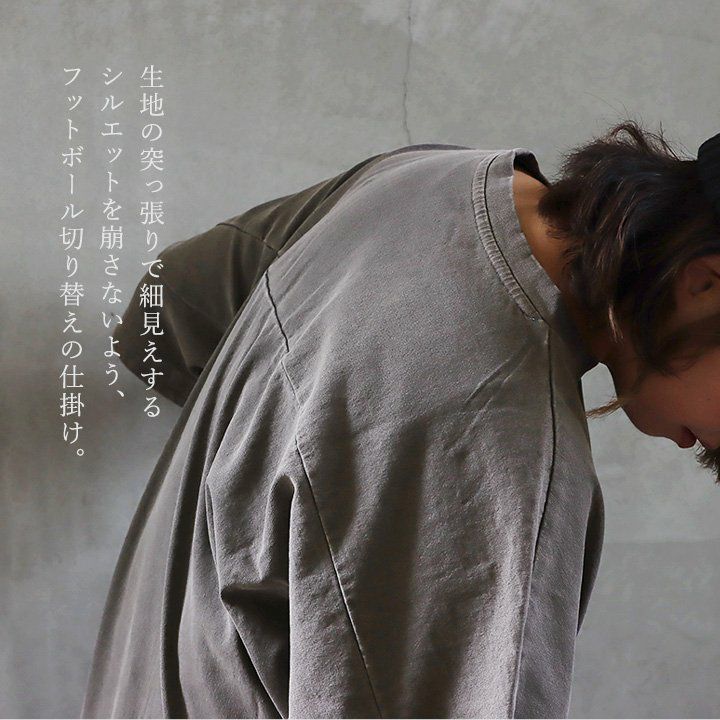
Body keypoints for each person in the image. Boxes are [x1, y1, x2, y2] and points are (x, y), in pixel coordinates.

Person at [80, 121, 719, 720]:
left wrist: (284, 439)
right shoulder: (499, 456)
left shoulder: (429, 181)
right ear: (706, 283)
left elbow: (164, 310)